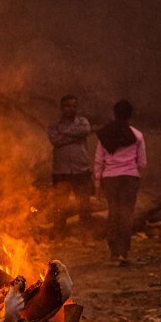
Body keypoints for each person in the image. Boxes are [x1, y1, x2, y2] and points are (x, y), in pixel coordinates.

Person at [94, 100, 146, 266]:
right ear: (130, 116)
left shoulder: (105, 135)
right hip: (130, 178)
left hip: (110, 178)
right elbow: (142, 162)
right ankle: (123, 253)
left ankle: (113, 253)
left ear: (114, 114)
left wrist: (97, 183)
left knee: (113, 213)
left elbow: (99, 160)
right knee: (126, 215)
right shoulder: (137, 135)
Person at [47, 94, 92, 235]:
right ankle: (59, 236)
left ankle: (86, 236)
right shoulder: (54, 125)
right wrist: (74, 136)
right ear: (61, 107)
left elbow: (85, 131)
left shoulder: (83, 122)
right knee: (60, 206)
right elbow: (55, 140)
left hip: (81, 170)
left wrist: (64, 133)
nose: (70, 109)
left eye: (73, 106)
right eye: (67, 106)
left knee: (84, 205)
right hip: (61, 172)